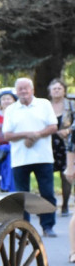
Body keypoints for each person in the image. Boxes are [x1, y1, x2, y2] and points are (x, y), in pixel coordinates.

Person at [2, 77, 58, 237]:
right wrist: (28, 134)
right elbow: (7, 135)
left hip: (44, 157)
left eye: (26, 88)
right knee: (22, 196)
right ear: (16, 91)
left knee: (47, 193)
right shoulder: (11, 109)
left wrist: (36, 135)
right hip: (21, 159)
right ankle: (24, 227)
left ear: (32, 90)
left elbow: (53, 126)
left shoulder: (44, 104)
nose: (23, 91)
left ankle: (48, 226)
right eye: (20, 89)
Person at [47, 78, 73, 216]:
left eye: (59, 88)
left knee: (66, 175)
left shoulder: (71, 105)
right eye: (54, 88)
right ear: (50, 92)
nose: (56, 91)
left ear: (64, 90)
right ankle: (49, 205)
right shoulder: (45, 105)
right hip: (48, 145)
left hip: (66, 145)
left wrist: (68, 131)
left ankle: (65, 205)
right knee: (46, 176)